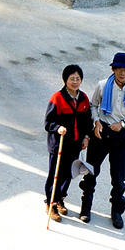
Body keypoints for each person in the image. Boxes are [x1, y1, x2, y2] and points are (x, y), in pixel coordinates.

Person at [79, 51, 125, 229]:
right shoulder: (102, 85)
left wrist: (122, 124)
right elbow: (93, 106)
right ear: (113, 69)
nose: (122, 72)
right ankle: (86, 207)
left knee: (119, 177)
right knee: (91, 171)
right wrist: (96, 122)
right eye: (119, 69)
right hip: (101, 131)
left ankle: (116, 211)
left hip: (120, 134)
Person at [44, 63, 92, 221]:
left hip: (75, 144)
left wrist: (86, 137)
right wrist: (58, 128)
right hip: (59, 145)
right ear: (65, 80)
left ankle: (60, 199)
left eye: (78, 79)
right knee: (56, 175)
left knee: (69, 174)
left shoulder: (84, 99)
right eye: (72, 79)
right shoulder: (57, 98)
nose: (75, 82)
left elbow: (87, 121)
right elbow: (48, 123)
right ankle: (50, 203)